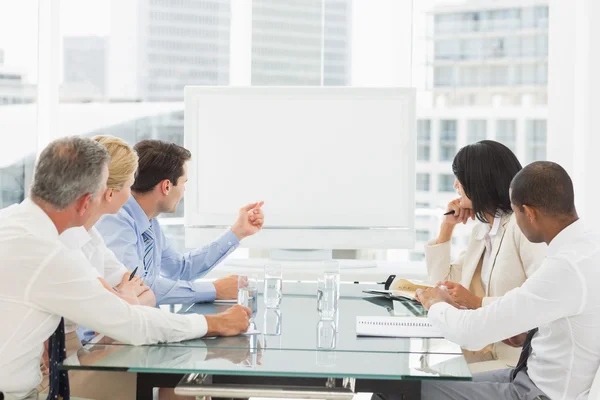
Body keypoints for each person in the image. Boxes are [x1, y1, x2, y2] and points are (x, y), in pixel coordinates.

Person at [0, 137, 251, 400]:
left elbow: (133, 292)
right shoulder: (50, 255)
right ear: (88, 201)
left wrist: (124, 301)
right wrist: (215, 323)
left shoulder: (21, 224)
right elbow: (132, 323)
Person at [412, 161, 600, 399]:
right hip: (526, 376)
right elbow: (525, 304)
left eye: (516, 212)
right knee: (412, 385)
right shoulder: (587, 247)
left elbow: (470, 334)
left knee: (407, 390)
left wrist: (434, 304)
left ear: (529, 213)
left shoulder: (565, 268)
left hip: (536, 393)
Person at [425, 141, 546, 370]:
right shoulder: (483, 230)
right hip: (480, 353)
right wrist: (447, 226)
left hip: (513, 361)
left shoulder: (521, 228)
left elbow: (538, 302)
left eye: (460, 180)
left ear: (479, 182)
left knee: (419, 384)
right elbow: (442, 282)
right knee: (418, 378)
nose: (455, 186)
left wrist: (476, 303)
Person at [96, 139, 265, 305]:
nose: (184, 190)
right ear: (167, 186)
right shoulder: (114, 219)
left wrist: (237, 232)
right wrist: (214, 289)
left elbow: (180, 269)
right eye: (184, 183)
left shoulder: (149, 223)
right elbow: (139, 286)